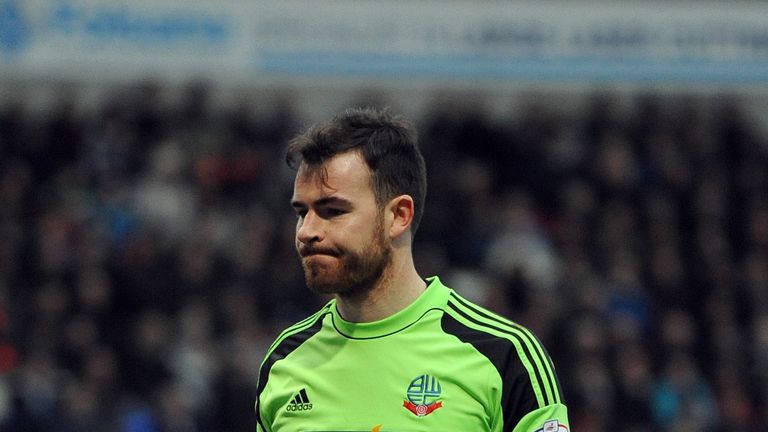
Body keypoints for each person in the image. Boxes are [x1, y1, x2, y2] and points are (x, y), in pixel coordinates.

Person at [255, 107, 569, 432]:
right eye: (301, 212)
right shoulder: (285, 361)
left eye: (332, 210)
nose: (307, 231)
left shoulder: (504, 355)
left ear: (399, 215)